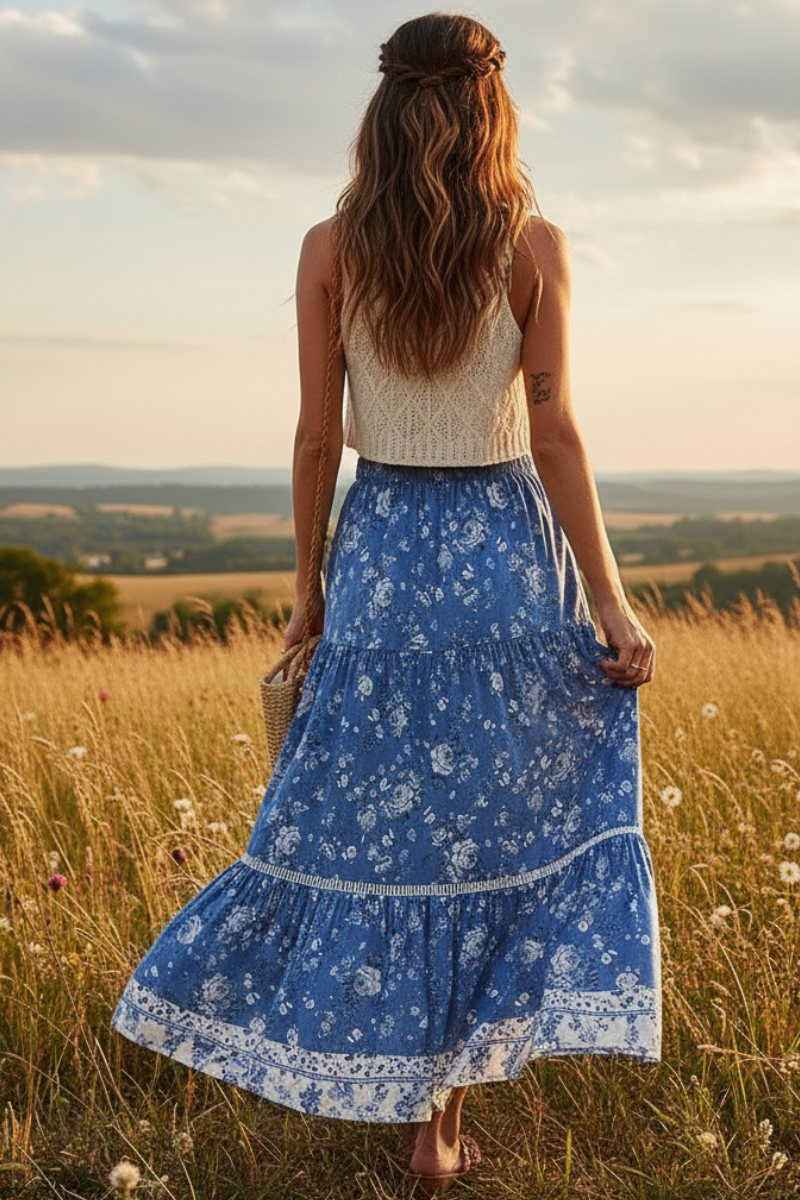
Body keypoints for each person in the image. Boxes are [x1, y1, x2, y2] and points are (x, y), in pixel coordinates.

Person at [112, 13, 661, 1192]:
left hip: (387, 558)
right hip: (507, 557)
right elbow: (554, 432)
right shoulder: (533, 244)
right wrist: (610, 606)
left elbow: (317, 437)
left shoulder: (327, 247)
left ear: (382, 106)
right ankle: (440, 1120)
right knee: (489, 833)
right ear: (490, 103)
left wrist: (308, 591)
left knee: (384, 830)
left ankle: (413, 1097)